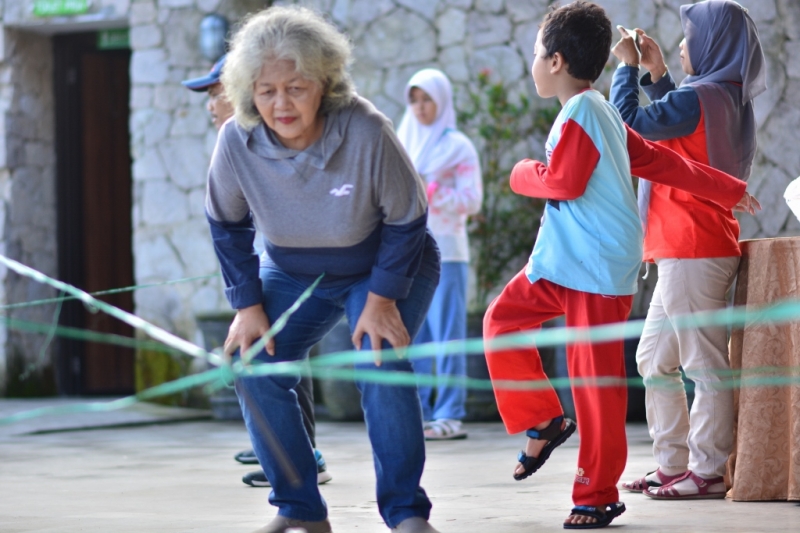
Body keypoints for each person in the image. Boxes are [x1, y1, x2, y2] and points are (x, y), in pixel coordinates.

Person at [482, 1, 758, 529]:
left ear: (557, 61)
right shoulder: (599, 110)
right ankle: (543, 419)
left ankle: (597, 494)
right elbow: (663, 161)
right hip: (562, 261)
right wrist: (729, 187)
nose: (534, 62)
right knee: (502, 321)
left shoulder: (590, 111)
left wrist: (522, 173)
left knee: (595, 382)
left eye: (538, 53)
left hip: (594, 268)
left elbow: (563, 180)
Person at [206, 6, 441, 533]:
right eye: (266, 90)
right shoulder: (235, 141)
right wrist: (246, 306)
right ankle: (300, 509)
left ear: (324, 84)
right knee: (251, 363)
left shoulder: (366, 129)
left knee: (379, 360)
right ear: (248, 91)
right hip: (293, 271)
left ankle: (405, 512)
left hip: (382, 263)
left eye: (296, 87)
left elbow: (408, 218)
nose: (280, 103)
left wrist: (382, 300)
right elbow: (227, 224)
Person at [609, 0, 766, 500]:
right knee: (654, 360)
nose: (680, 45)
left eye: (689, 36)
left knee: (702, 363)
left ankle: (708, 469)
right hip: (685, 246)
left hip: (692, 246)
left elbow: (630, 126)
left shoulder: (703, 97)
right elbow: (678, 127)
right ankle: (674, 464)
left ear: (713, 43)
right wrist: (656, 73)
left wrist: (626, 68)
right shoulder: (719, 95)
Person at [182, 55, 332, 490]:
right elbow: (229, 221)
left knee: (273, 347)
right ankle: (282, 444)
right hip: (278, 261)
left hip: (312, 264)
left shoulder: (279, 137)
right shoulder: (234, 141)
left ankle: (298, 453)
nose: (210, 104)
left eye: (215, 92)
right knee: (270, 347)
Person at [396, 68, 482, 441]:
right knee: (413, 335)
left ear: (441, 100)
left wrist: (430, 189)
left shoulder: (457, 146)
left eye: (427, 98)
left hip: (447, 253)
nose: (419, 107)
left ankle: (450, 413)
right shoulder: (402, 141)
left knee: (447, 335)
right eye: (414, 99)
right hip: (408, 253)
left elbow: (472, 200)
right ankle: (422, 412)